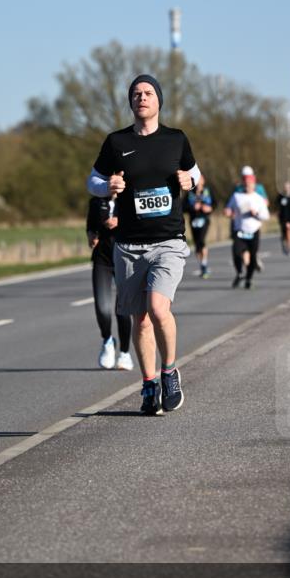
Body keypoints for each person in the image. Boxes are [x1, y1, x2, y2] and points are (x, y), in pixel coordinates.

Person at [87, 74, 200, 416]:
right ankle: (149, 384)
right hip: (129, 246)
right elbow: (91, 181)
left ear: (158, 100)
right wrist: (107, 185)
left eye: (148, 93)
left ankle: (169, 373)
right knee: (140, 320)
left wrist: (189, 180)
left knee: (158, 307)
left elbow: (196, 174)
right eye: (136, 94)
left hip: (168, 240)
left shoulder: (175, 139)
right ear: (130, 102)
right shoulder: (116, 142)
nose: (142, 98)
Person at [86, 196, 133, 370]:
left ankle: (125, 354)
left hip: (125, 256)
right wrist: (91, 235)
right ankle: (107, 340)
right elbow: (90, 225)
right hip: (102, 258)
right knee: (102, 307)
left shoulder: (130, 197)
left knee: (122, 308)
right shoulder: (96, 201)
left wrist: (120, 221)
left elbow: (139, 223)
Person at [223, 171, 270, 289]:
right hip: (240, 230)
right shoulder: (236, 196)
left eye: (250, 182)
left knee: (253, 258)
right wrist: (228, 212)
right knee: (236, 253)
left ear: (254, 184)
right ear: (243, 183)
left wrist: (256, 213)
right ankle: (239, 273)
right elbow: (228, 208)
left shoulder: (259, 198)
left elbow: (266, 216)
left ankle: (249, 279)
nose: (248, 185)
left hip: (254, 231)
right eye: (246, 182)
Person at [185, 174, 214, 278]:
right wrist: (192, 207)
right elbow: (183, 207)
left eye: (200, 180)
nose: (198, 182)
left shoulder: (207, 191)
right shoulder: (190, 193)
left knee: (202, 241)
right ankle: (202, 265)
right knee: (197, 245)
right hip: (193, 220)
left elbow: (214, 204)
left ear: (203, 180)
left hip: (204, 219)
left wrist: (209, 208)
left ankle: (204, 264)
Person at [276, 181, 290, 255]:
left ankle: (288, 247)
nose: (287, 188)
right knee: (283, 234)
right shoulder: (281, 196)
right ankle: (284, 244)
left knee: (289, 233)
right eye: (285, 187)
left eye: (288, 187)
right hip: (282, 219)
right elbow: (277, 206)